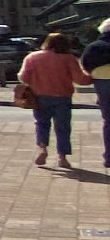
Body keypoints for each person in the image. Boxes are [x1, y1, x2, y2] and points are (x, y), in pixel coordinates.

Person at [18, 31, 90, 169]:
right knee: (63, 127)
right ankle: (62, 157)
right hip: (63, 97)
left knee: (41, 124)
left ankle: (42, 149)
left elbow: (23, 77)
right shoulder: (68, 58)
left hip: (40, 97)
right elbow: (80, 79)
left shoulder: (32, 57)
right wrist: (93, 76)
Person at [82, 18, 110, 169]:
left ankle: (109, 157)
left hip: (103, 82)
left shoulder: (94, 47)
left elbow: (86, 64)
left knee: (108, 120)